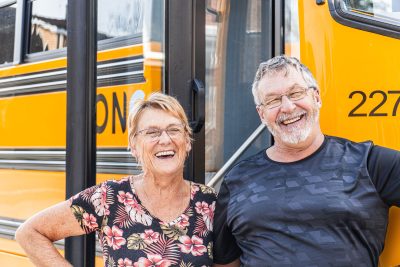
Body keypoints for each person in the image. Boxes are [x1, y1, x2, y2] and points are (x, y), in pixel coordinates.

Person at [213, 55, 400, 267]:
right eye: (273, 100)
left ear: (316, 97)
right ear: (262, 114)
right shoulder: (237, 180)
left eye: (296, 93)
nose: (288, 107)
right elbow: (224, 263)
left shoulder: (368, 162)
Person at [16, 93, 216, 267]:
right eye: (152, 132)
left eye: (174, 130)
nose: (165, 140)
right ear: (134, 146)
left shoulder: (210, 202)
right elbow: (30, 233)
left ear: (187, 141)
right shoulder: (110, 197)